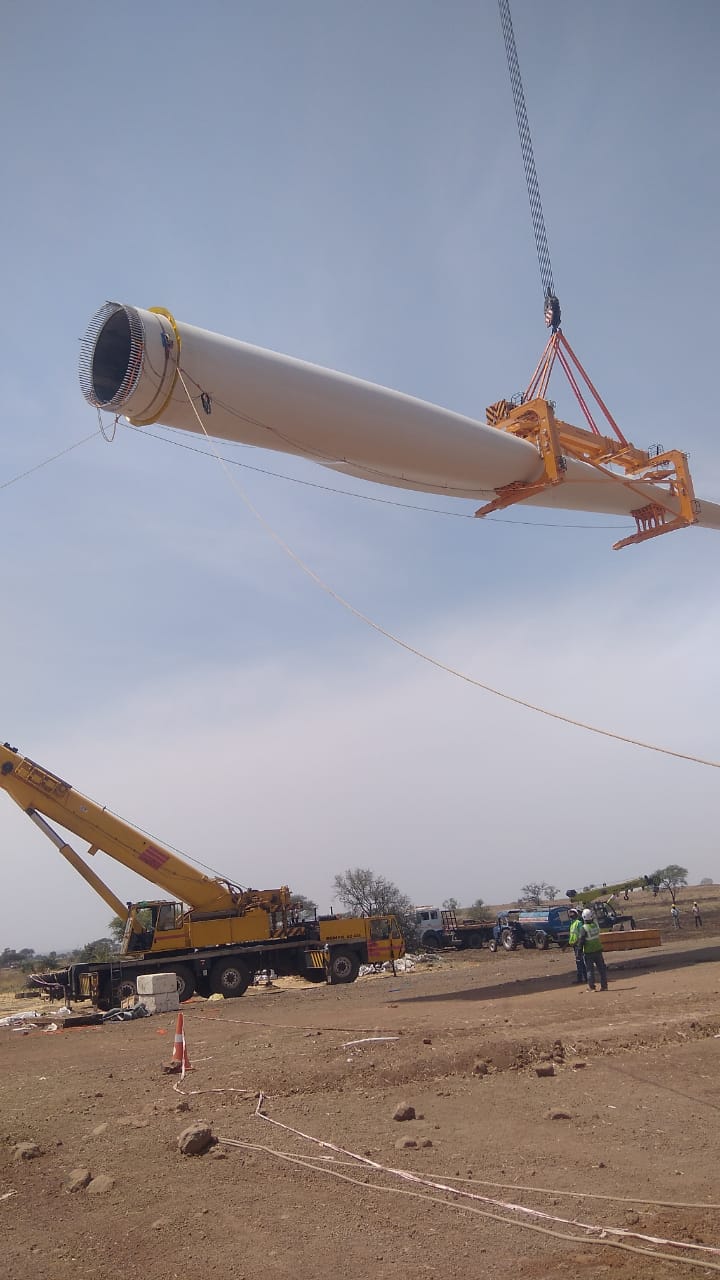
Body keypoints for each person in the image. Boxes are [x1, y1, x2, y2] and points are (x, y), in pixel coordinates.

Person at [580, 908, 608, 991]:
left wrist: (579, 951)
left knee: (590, 970)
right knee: (602, 969)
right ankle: (604, 986)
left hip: (588, 952)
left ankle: (592, 987)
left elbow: (581, 940)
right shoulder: (595, 925)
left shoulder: (584, 928)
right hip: (598, 950)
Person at [568, 908, 586, 985]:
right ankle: (585, 977)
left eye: (572, 914)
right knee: (580, 962)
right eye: (570, 914)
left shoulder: (578, 923)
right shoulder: (572, 924)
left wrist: (575, 943)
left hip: (578, 945)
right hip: (575, 945)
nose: (571, 915)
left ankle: (582, 978)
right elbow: (572, 935)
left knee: (580, 962)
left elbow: (581, 935)